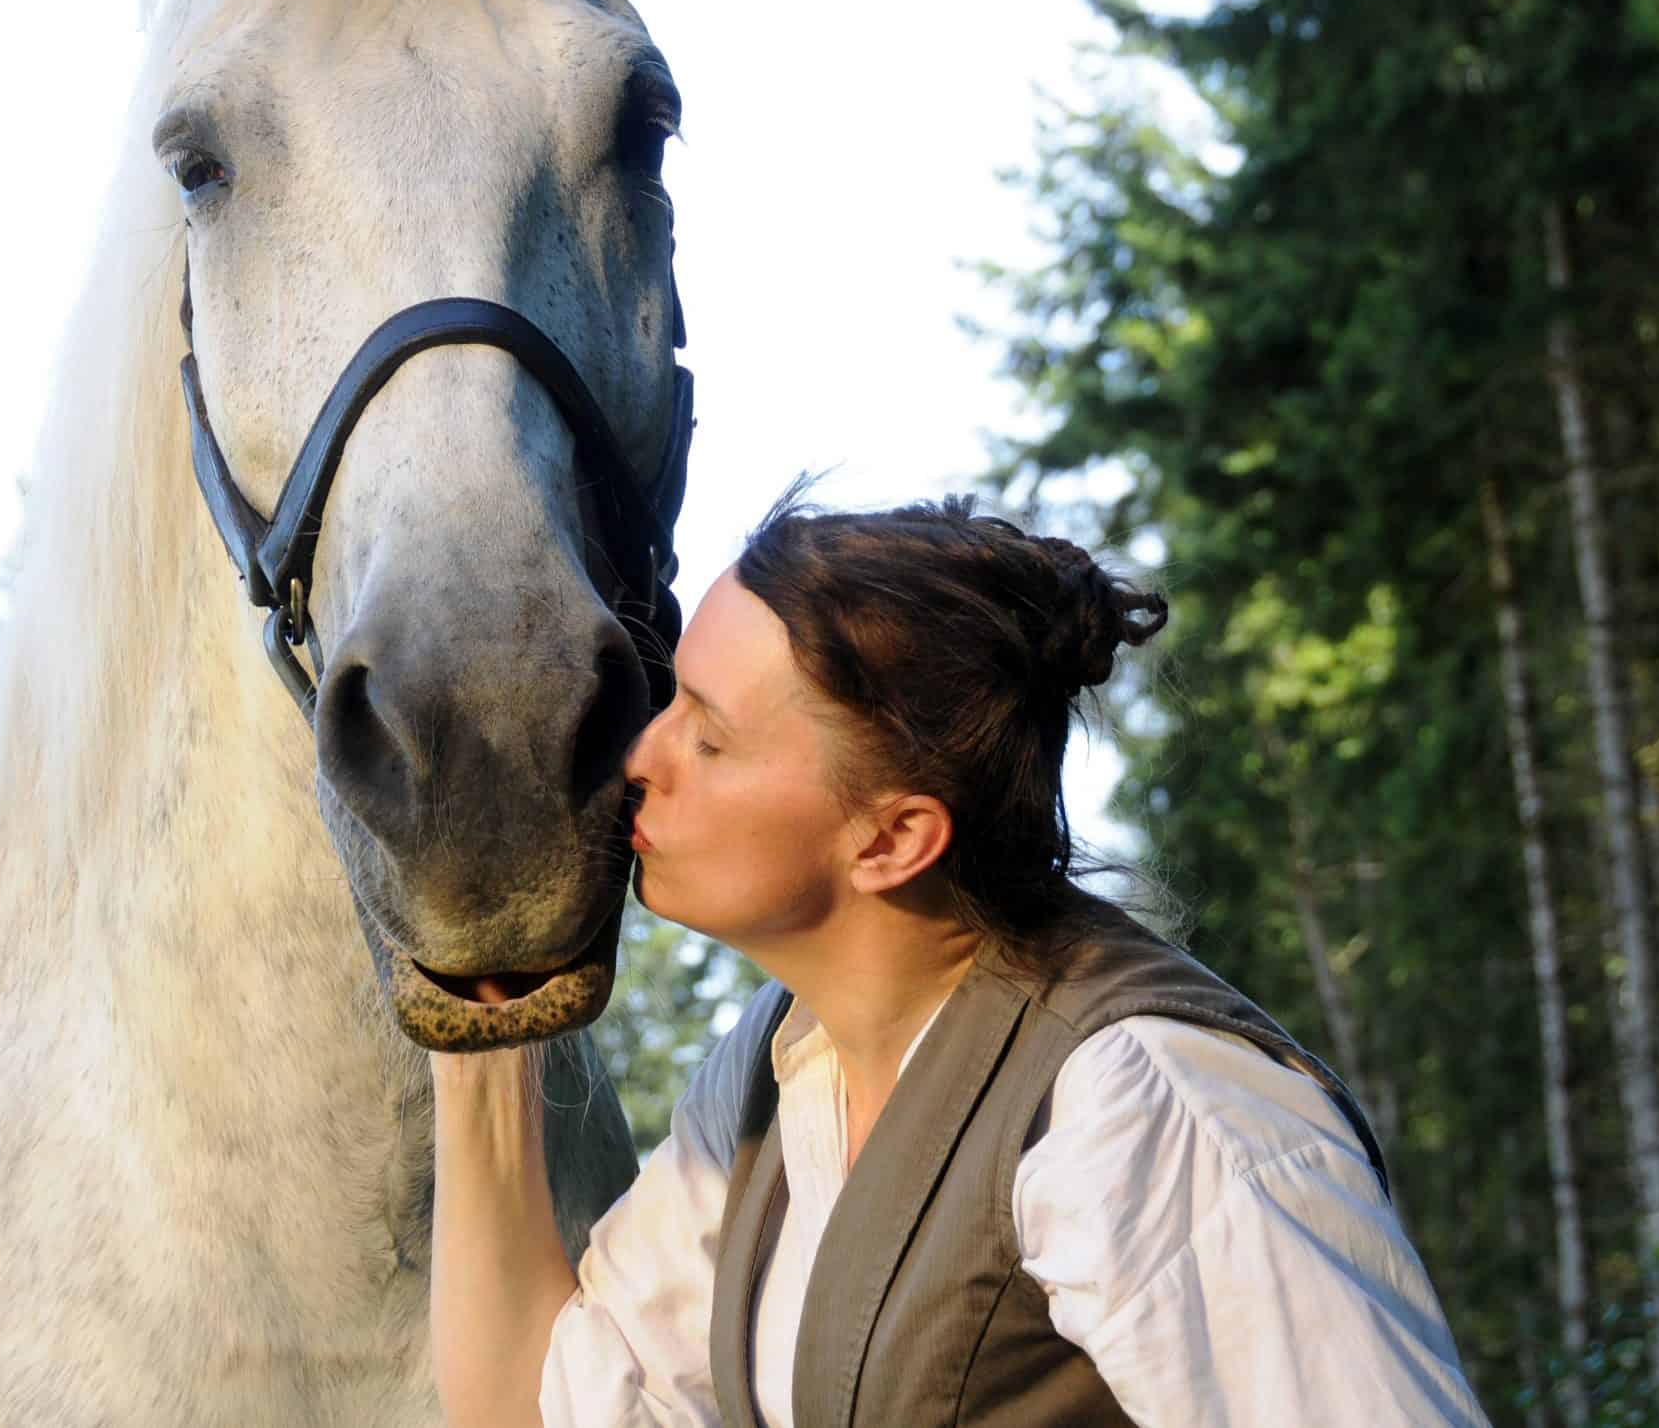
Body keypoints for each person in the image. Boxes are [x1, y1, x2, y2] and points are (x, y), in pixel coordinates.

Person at [429, 492, 1491, 1428]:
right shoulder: (778, 1063)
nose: (640, 758)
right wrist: (476, 1006)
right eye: (672, 705)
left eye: (708, 737)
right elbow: (540, 1404)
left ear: (892, 838)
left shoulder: (1148, 1110)